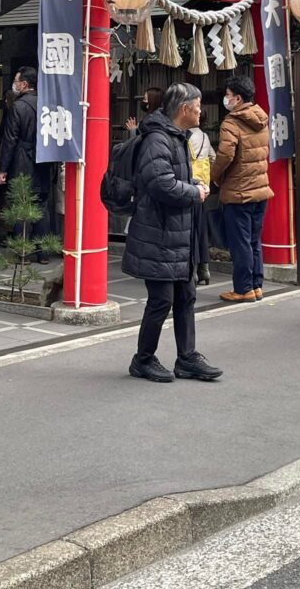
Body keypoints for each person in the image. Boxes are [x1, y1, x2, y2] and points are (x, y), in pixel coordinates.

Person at [123, 82, 222, 383]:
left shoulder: (176, 137)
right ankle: (143, 359)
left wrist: (194, 185)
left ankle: (187, 357)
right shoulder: (158, 139)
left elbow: (174, 177)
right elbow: (161, 184)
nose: (200, 112)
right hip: (159, 232)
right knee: (162, 299)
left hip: (176, 232)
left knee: (186, 295)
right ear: (183, 108)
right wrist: (194, 192)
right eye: (197, 106)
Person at [211, 76, 274, 303]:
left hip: (238, 192)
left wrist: (214, 176)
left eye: (228, 95)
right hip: (260, 190)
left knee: (240, 243)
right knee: (254, 241)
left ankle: (243, 288)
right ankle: (256, 286)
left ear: (237, 98)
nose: (225, 99)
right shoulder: (261, 118)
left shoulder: (232, 122)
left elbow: (225, 155)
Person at [0, 67, 52, 243]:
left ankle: (22, 253)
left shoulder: (18, 106)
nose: (14, 85)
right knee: (42, 206)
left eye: (15, 81)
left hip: (22, 161)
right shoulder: (47, 103)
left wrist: (2, 169)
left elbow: (10, 140)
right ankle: (42, 252)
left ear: (24, 84)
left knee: (21, 204)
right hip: (44, 159)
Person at [189, 120, 215, 286]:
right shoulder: (205, 136)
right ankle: (204, 268)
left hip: (190, 187)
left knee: (190, 230)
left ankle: (192, 270)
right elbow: (213, 157)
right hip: (204, 188)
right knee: (202, 229)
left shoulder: (185, 137)